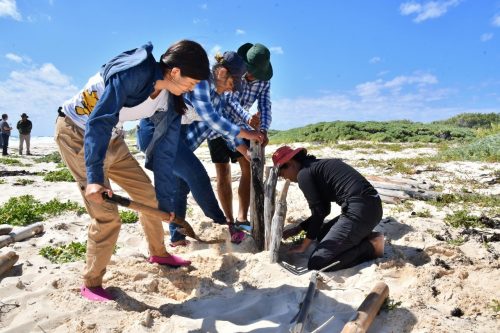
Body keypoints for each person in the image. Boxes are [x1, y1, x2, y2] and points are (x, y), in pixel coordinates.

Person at [55, 40, 210, 302]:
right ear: (174, 72)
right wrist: (94, 179)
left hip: (113, 140)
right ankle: (92, 283)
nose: (193, 88)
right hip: (78, 135)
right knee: (107, 217)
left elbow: (164, 153)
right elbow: (99, 120)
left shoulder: (170, 101)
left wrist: (164, 200)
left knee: (148, 197)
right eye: (191, 81)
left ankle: (159, 253)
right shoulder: (134, 73)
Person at [138, 51, 264, 247]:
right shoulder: (202, 83)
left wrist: (244, 151)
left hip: (177, 138)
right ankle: (222, 224)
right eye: (232, 83)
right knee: (197, 176)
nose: (232, 89)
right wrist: (248, 135)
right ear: (222, 73)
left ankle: (177, 238)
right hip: (156, 134)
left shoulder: (221, 97)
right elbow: (214, 120)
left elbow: (224, 130)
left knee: (180, 187)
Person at [273, 146, 385, 272]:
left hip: (360, 211)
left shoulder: (303, 174)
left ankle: (372, 246)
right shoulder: (315, 166)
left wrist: (304, 246)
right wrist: (299, 228)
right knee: (322, 234)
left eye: (282, 174)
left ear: (290, 164)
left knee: (317, 263)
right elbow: (325, 209)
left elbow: (319, 212)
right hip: (371, 207)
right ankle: (365, 236)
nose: (286, 178)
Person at [207, 42, 273, 226]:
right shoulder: (233, 73)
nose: (251, 76)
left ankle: (242, 216)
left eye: (255, 73)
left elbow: (265, 107)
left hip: (242, 126)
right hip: (218, 126)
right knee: (223, 172)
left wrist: (263, 129)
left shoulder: (264, 82)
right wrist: (248, 119)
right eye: (250, 71)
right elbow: (230, 103)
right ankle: (228, 218)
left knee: (247, 167)